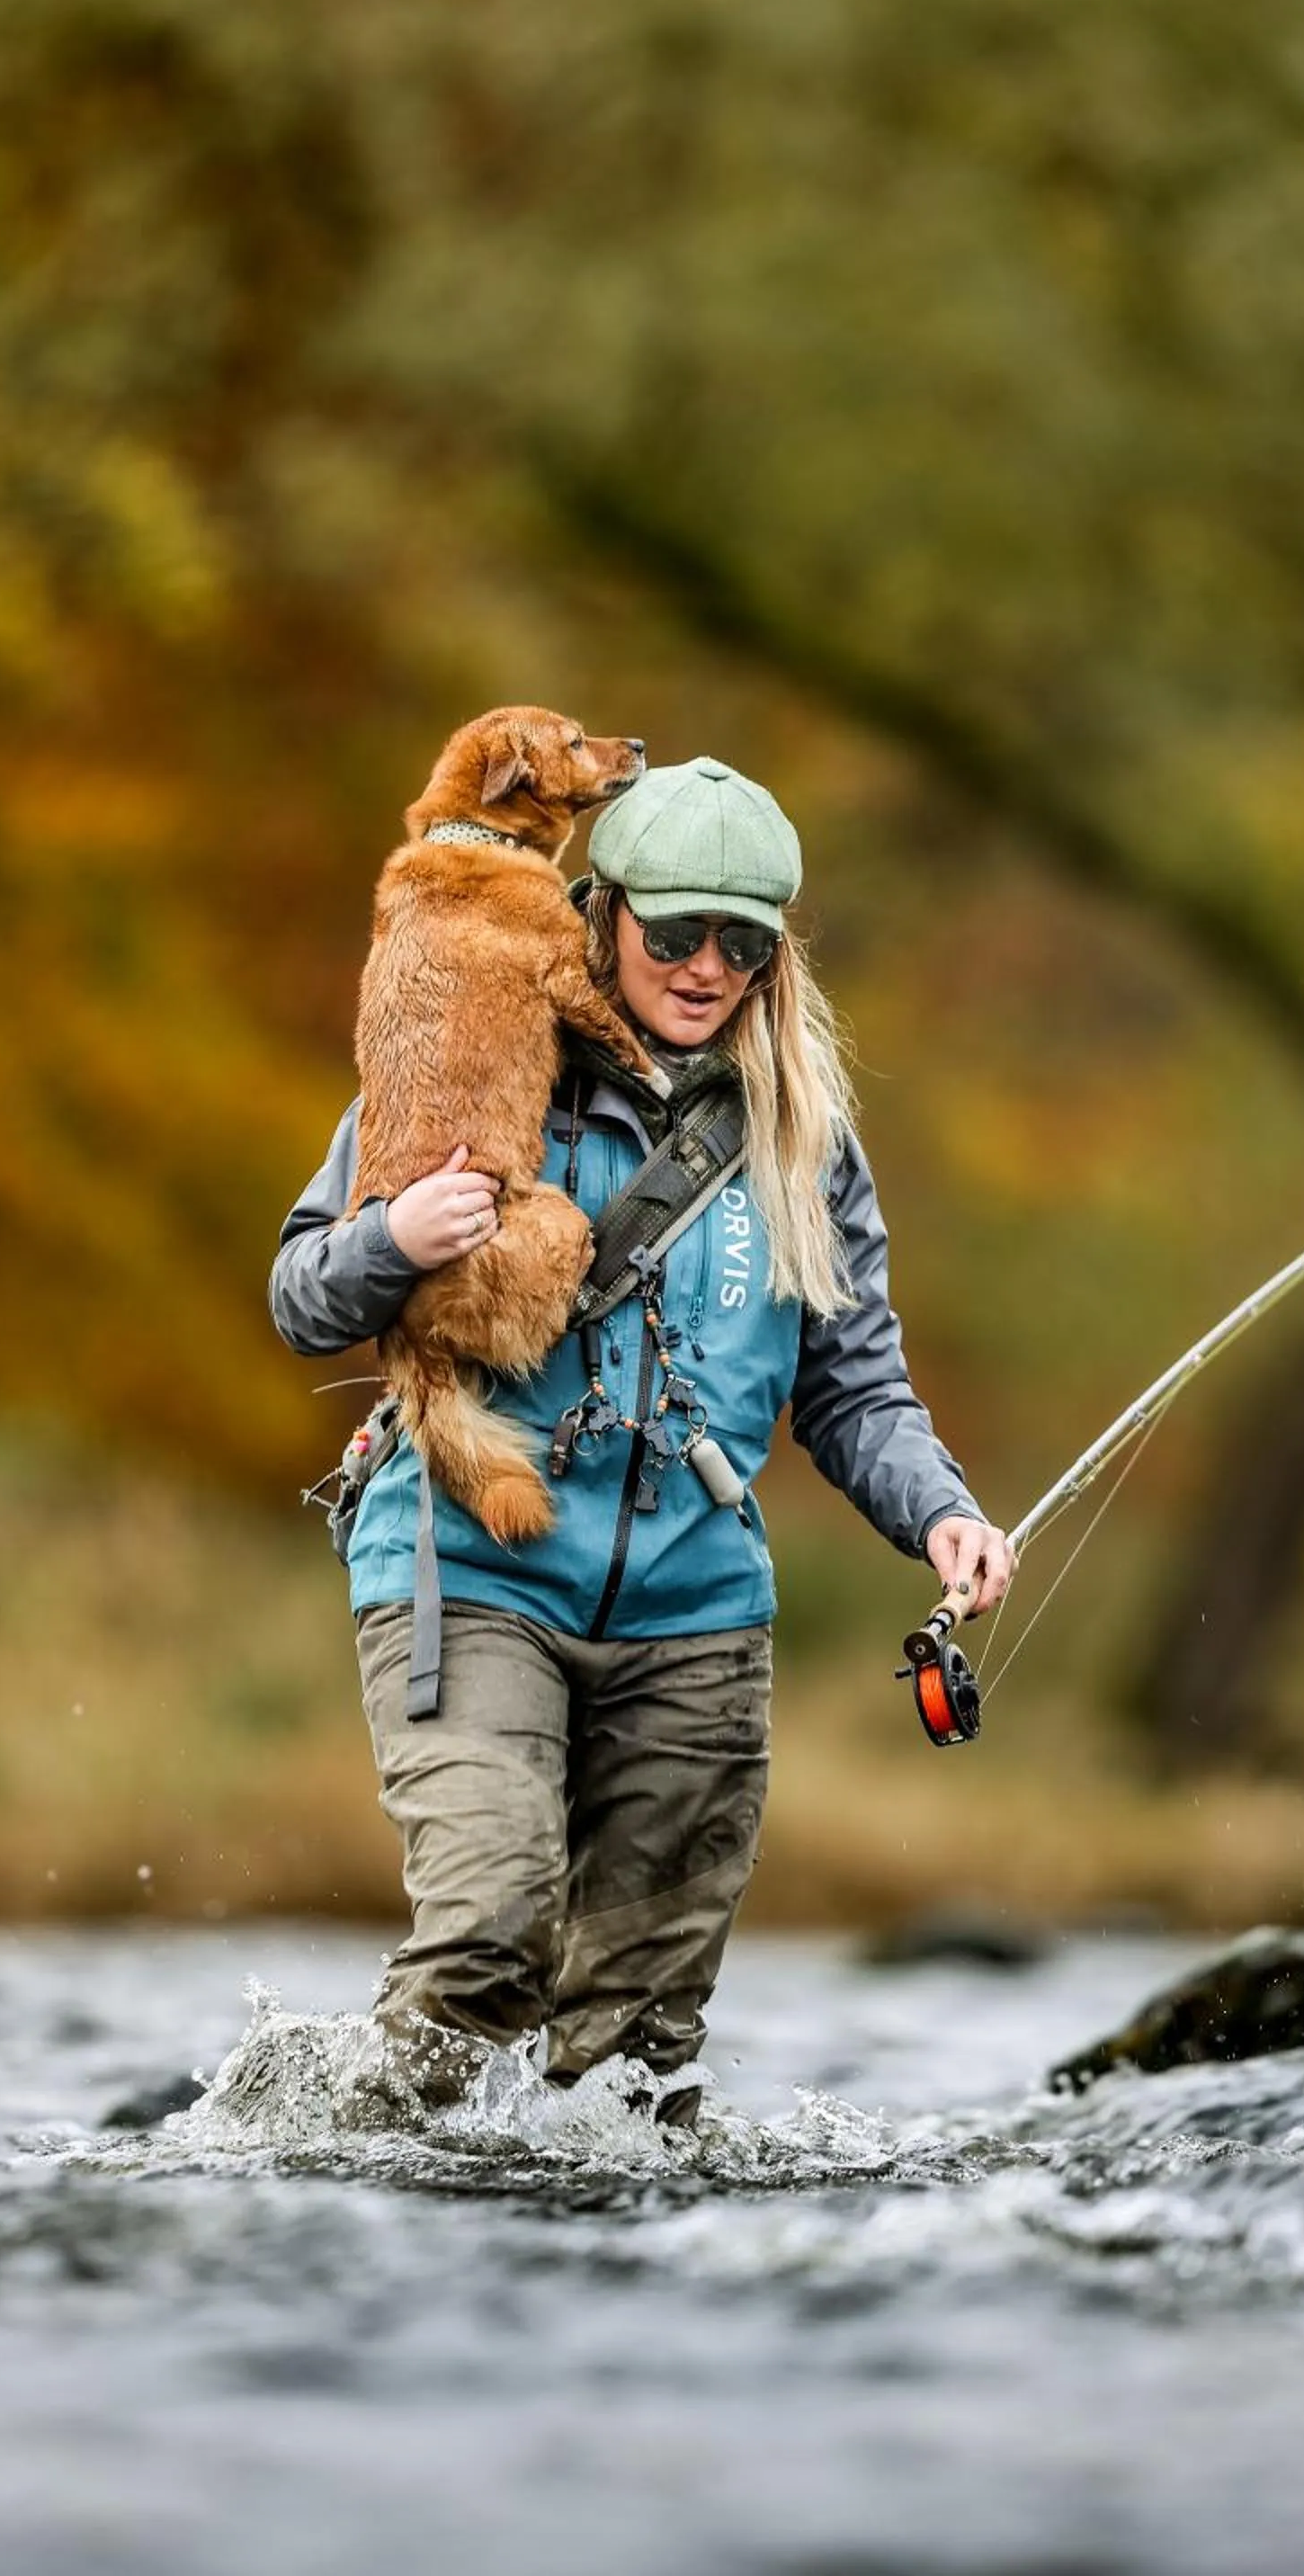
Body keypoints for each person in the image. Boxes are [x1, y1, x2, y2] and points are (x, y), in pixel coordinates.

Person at [269, 755, 1013, 2120]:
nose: (707, 966)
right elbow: (302, 1296)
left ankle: (598, 2297)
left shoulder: (807, 1140)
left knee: (639, 2051)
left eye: (745, 941)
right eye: (676, 932)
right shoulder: (478, 1051)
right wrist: (394, 1240)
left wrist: (943, 1512)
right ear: (602, 912)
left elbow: (853, 1389)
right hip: (471, 1573)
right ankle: (341, 2173)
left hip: (698, 1613)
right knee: (491, 1931)